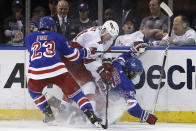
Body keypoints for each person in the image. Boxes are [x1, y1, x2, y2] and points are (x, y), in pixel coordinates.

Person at [25, 16, 102, 126]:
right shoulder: (58, 36)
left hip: (36, 74)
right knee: (77, 95)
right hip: (57, 71)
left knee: (34, 92)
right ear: (52, 27)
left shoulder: (29, 37)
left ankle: (48, 114)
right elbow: (74, 56)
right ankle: (91, 115)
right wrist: (87, 52)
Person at [48, 20, 119, 118]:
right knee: (89, 83)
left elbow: (107, 48)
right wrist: (102, 71)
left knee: (76, 83)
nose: (111, 37)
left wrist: (107, 65)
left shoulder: (104, 34)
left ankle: (62, 109)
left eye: (113, 36)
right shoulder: (95, 41)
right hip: (71, 58)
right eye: (110, 35)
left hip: (75, 56)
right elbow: (88, 63)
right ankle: (89, 114)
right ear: (104, 30)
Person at [97, 49, 158, 125]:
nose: (135, 76)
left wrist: (134, 51)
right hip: (104, 101)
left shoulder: (117, 64)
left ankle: (93, 111)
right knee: (120, 104)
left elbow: (123, 56)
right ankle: (99, 113)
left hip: (97, 91)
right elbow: (131, 106)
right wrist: (146, 116)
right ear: (131, 72)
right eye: (135, 73)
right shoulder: (127, 84)